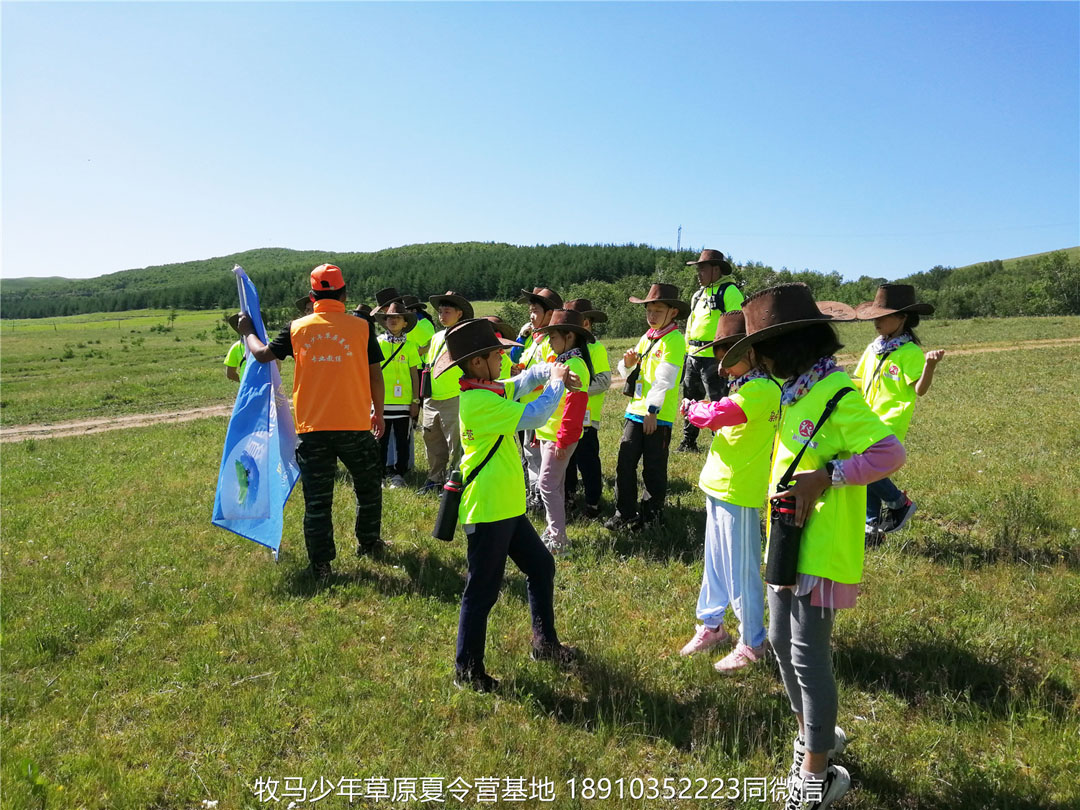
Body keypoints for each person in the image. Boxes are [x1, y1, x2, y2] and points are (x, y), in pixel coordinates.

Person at [720, 283, 906, 809]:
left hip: (821, 547)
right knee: (779, 640)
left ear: (788, 346)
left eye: (759, 350)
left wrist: (827, 476)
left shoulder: (836, 393)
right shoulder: (796, 390)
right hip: (786, 538)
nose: (754, 360)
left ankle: (818, 773)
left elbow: (890, 453)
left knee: (807, 656)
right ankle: (815, 735)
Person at [432, 318, 579, 692]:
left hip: (507, 507)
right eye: (498, 352)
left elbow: (526, 380)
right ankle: (467, 670)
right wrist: (559, 383)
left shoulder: (491, 389)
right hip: (488, 509)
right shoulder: (478, 401)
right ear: (478, 362)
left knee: (541, 566)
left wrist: (552, 370)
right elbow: (536, 414)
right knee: (481, 590)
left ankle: (544, 644)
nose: (504, 357)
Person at [236, 264, 386, 580]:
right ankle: (369, 543)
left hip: (313, 430)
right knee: (369, 487)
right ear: (343, 293)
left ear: (311, 295)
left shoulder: (297, 328)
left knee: (318, 501)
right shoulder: (361, 328)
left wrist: (247, 330)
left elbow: (262, 355)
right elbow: (375, 374)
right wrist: (379, 413)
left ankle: (321, 565)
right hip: (356, 426)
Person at [677, 310, 781, 672]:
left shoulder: (763, 390)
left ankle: (752, 640)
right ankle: (712, 626)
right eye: (719, 353)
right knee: (716, 565)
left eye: (727, 353)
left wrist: (692, 408)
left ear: (749, 352)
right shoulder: (747, 386)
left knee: (742, 570)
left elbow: (718, 415)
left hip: (740, 489)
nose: (721, 363)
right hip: (719, 483)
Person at [853, 284, 945, 542]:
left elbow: (920, 390)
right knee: (869, 472)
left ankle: (898, 502)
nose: (877, 322)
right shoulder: (874, 348)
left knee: (867, 465)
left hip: (890, 419)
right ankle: (871, 527)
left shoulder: (910, 352)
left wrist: (929, 366)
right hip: (865, 416)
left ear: (902, 317)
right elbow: (859, 380)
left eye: (883, 316)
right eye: (875, 316)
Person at [605, 282, 688, 532]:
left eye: (658, 311)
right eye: (649, 311)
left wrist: (653, 410)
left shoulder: (674, 341)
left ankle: (651, 518)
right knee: (625, 462)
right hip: (634, 411)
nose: (651, 316)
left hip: (656, 417)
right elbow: (630, 370)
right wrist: (627, 363)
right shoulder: (648, 337)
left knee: (653, 468)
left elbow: (665, 379)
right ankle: (625, 513)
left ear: (672, 312)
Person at [531, 309, 594, 554]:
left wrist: (563, 440)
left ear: (569, 337)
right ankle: (553, 529)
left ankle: (558, 538)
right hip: (550, 434)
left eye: (553, 337)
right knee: (553, 485)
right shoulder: (563, 362)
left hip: (560, 437)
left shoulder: (574, 365)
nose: (549, 342)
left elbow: (574, 409)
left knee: (546, 484)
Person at [677, 249, 745, 453]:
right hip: (694, 356)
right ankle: (689, 442)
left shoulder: (730, 291)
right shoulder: (699, 294)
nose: (699, 273)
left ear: (716, 269)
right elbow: (691, 323)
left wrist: (728, 357)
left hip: (715, 358)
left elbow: (737, 323)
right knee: (690, 399)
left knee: (717, 402)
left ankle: (720, 442)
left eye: (702, 269)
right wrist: (687, 352)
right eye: (698, 269)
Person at [418, 291, 473, 494]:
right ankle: (434, 479)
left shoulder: (466, 335)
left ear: (459, 313)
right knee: (431, 440)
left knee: (457, 442)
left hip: (454, 396)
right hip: (432, 398)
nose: (442, 315)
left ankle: (455, 481)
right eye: (440, 311)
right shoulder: (436, 337)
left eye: (447, 311)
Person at [514, 287, 563, 511]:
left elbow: (550, 374)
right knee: (529, 453)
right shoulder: (535, 339)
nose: (531, 316)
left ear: (550, 313)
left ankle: (540, 498)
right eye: (530, 311)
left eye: (535, 311)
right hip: (526, 407)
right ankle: (535, 493)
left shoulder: (550, 342)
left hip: (541, 410)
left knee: (537, 456)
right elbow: (518, 360)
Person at [563, 299, 611, 520]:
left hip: (587, 417)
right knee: (569, 460)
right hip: (569, 416)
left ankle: (592, 503)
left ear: (587, 323)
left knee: (587, 460)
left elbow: (603, 381)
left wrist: (575, 390)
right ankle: (569, 498)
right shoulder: (568, 350)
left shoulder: (595, 348)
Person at [373, 300, 421, 488]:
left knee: (403, 439)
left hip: (404, 403)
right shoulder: (377, 343)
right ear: (384, 321)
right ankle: (381, 474)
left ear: (405, 323)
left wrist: (415, 400)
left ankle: (399, 474)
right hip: (381, 402)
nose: (393, 321)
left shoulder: (410, 346)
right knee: (381, 440)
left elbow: (414, 375)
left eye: (397, 318)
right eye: (389, 318)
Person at [402, 294, 436, 363]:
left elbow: (430, 346)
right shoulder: (425, 321)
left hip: (418, 364)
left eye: (405, 311)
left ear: (414, 310)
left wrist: (409, 355)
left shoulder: (416, 324)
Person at [223, 314, 247, 382]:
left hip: (247, 390)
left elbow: (230, 374)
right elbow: (277, 367)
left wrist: (244, 383)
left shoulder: (236, 347)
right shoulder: (269, 342)